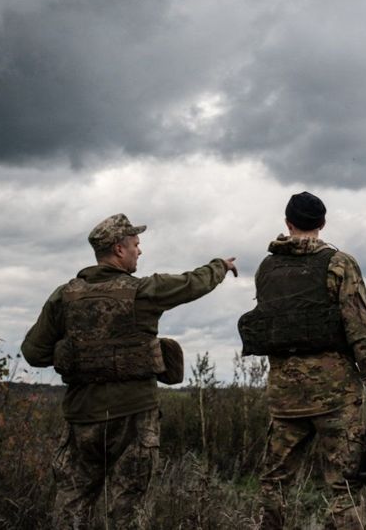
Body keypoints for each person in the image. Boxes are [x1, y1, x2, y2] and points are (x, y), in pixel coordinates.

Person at [21, 213, 238, 528]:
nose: (140, 250)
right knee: (129, 510)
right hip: (134, 418)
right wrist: (220, 265)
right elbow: (191, 284)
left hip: (82, 417)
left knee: (71, 507)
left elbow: (33, 352)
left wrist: (78, 353)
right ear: (119, 250)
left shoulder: (63, 296)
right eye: (136, 244)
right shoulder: (142, 291)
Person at [241, 192, 366, 530]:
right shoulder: (340, 264)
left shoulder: (266, 268)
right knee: (345, 485)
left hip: (285, 397)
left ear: (287, 223)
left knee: (274, 481)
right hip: (335, 396)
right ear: (322, 224)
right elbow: (361, 330)